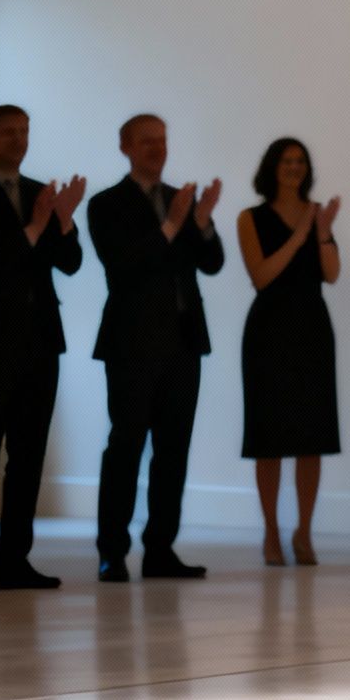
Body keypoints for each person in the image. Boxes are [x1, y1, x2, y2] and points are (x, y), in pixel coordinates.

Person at [0, 105, 86, 593]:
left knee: (29, 456)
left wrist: (63, 218)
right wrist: (36, 225)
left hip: (40, 339)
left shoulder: (39, 193)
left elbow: (70, 262)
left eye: (24, 131)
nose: (19, 139)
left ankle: (14, 562)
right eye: (9, 132)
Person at [87, 114, 224, 583]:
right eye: (147, 141)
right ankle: (112, 551)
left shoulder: (179, 199)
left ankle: (161, 548)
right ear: (125, 146)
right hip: (132, 344)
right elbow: (122, 267)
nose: (157, 149)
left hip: (183, 341)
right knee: (125, 446)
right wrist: (172, 225)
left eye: (162, 141)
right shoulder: (106, 204)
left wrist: (201, 223)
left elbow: (213, 262)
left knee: (173, 450)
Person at [237, 137, 341, 567]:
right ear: (272, 167)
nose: (294, 167)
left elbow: (332, 274)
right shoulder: (251, 217)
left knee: (311, 437)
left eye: (300, 161)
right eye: (286, 161)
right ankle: (270, 531)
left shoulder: (317, 215)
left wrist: (321, 233)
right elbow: (261, 276)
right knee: (269, 438)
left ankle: (304, 531)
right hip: (268, 332)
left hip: (312, 329)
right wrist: (299, 237)